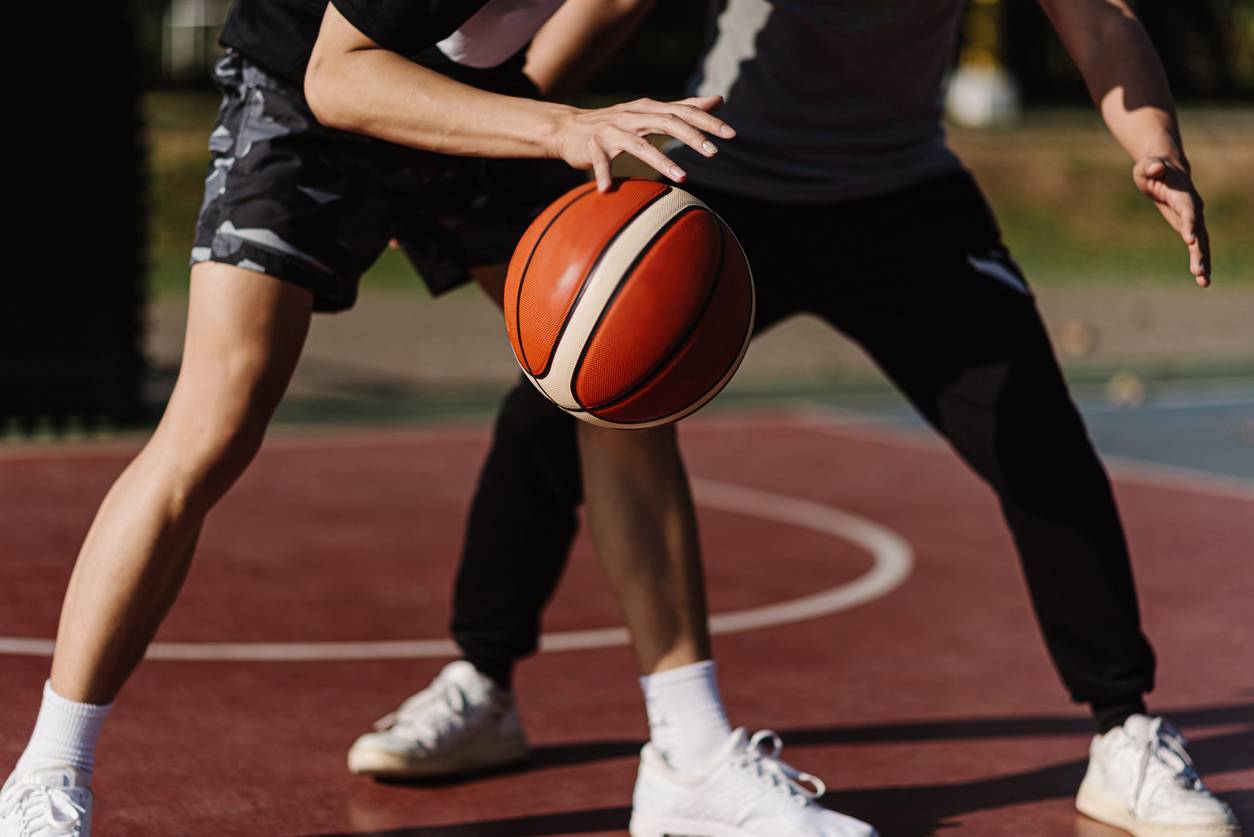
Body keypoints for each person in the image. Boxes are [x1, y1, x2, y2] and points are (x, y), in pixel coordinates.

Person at [353, 1, 1240, 835]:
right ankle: (483, 682)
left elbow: (1098, 17)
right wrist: (469, 147)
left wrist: (1153, 142)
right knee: (562, 408)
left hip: (902, 195)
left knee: (1035, 435)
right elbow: (613, 4)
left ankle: (1124, 732)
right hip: (730, 181)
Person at [1, 3, 876, 837]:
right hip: (309, 94)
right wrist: (557, 128)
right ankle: (46, 773)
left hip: (478, 87)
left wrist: (509, 121)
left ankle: (690, 759)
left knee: (621, 391)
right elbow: (341, 77)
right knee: (213, 423)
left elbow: (610, 2)